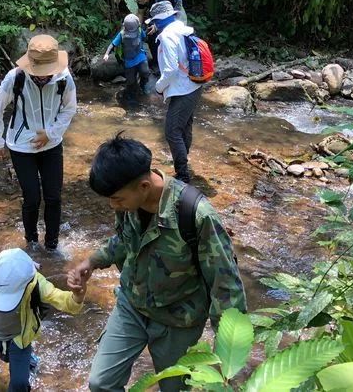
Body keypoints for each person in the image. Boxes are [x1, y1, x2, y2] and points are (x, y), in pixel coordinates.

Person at [67, 134, 245, 392]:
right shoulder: (128, 205)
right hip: (133, 304)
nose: (112, 205)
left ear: (143, 186)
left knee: (174, 389)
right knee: (101, 383)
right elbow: (125, 241)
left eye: (117, 199)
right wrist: (92, 261)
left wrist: (229, 350)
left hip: (178, 320)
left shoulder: (195, 213)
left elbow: (225, 283)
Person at [0, 35, 77, 252]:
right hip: (21, 147)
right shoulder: (15, 78)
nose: (44, 77)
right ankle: (31, 243)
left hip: (52, 146)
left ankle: (52, 245)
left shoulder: (64, 79)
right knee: (31, 198)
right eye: (39, 72)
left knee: (54, 198)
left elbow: (70, 108)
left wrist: (51, 133)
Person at [0, 248, 86, 392]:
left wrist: (77, 296)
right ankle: (28, 361)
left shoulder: (36, 283)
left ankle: (26, 365)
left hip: (20, 338)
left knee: (19, 383)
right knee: (6, 358)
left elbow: (60, 299)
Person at [145, 0, 203, 183]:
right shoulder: (183, 28)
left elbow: (170, 70)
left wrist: (158, 87)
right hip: (194, 84)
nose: (153, 24)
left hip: (183, 89)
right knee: (184, 126)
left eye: (154, 20)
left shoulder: (168, 36)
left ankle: (183, 174)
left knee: (172, 131)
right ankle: (184, 162)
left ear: (161, 19)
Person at [131, 0, 187, 72]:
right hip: (158, 16)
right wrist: (138, 29)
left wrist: (157, 27)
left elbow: (169, 17)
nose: (137, 3)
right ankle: (156, 62)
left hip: (174, 15)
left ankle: (176, 62)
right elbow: (141, 13)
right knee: (151, 35)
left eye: (138, 1)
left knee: (171, 37)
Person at [102, 14, 151, 101]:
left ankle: (143, 86)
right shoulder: (122, 34)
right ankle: (131, 98)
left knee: (145, 72)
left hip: (140, 55)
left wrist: (147, 30)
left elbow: (144, 38)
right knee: (131, 82)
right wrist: (106, 54)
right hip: (129, 60)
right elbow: (113, 44)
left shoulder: (139, 30)